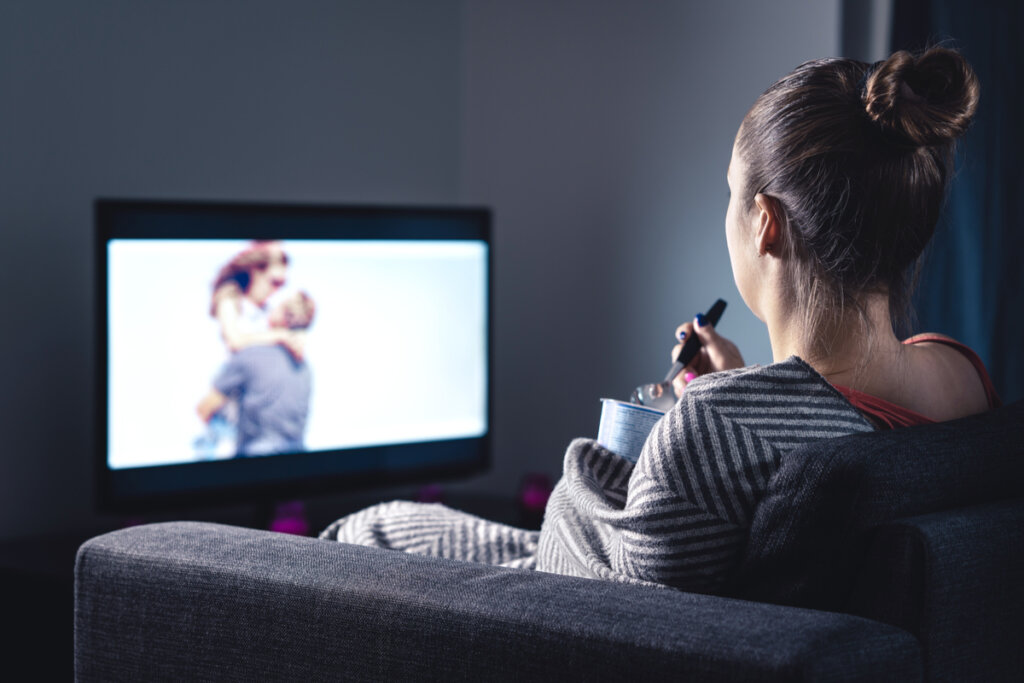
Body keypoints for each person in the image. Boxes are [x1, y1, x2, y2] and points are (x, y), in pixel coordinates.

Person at [320, 47, 999, 592]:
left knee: (369, 529)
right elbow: (836, 414)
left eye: (731, 195)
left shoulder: (719, 426)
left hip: (552, 599)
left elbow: (590, 578)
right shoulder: (960, 373)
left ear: (765, 224)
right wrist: (737, 386)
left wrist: (671, 420)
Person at [196, 291, 316, 456]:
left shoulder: (251, 355)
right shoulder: (304, 368)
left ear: (281, 315)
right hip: (296, 462)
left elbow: (205, 408)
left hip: (254, 463)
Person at [209, 240, 305, 360]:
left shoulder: (267, 310)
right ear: (256, 272)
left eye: (281, 285)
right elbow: (235, 341)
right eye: (274, 282)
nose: (276, 290)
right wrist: (279, 336)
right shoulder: (229, 297)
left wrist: (294, 341)